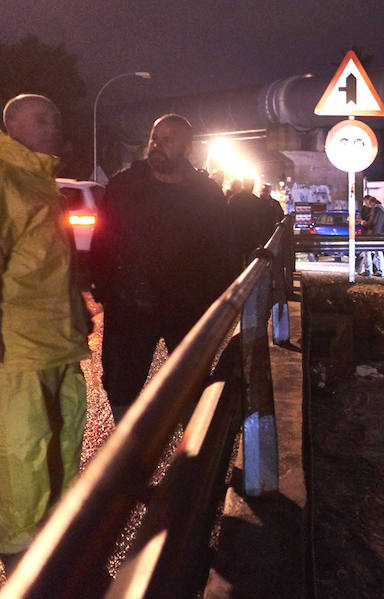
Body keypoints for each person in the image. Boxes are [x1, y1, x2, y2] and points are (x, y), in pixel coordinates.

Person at [90, 114, 234, 421]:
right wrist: (104, 289)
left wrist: (213, 299)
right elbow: (102, 240)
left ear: (187, 147)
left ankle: (193, 460)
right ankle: (126, 456)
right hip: (130, 304)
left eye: (168, 140)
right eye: (155, 138)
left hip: (187, 306)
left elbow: (222, 248)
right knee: (121, 384)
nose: (157, 146)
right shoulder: (123, 187)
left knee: (190, 383)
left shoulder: (205, 194)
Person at [0, 94, 91, 567]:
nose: (52, 124)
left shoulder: (40, 180)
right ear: (9, 124)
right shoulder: (6, 176)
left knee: (62, 436)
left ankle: (55, 537)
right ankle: (19, 554)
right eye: (40, 118)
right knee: (21, 451)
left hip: (56, 340)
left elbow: (51, 261)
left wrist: (77, 309)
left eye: (56, 116)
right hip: (18, 347)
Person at [227, 179, 284, 264]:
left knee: (237, 261)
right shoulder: (256, 201)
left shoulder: (234, 199)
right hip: (252, 236)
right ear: (252, 186)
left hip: (236, 235)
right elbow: (262, 221)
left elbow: (228, 217)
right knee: (251, 261)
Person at [356, 195, 384, 277]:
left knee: (367, 251)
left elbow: (372, 223)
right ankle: (380, 271)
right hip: (378, 233)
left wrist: (363, 222)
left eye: (368, 203)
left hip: (372, 234)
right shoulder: (381, 209)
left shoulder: (375, 210)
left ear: (372, 202)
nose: (368, 205)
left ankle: (369, 270)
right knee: (378, 252)